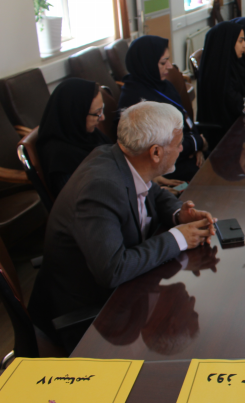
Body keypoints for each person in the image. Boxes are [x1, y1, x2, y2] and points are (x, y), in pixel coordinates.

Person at [28, 102, 217, 346]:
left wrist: (179, 214)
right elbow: (114, 270)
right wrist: (179, 238)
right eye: (178, 143)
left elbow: (153, 191)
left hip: (121, 290)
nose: (182, 148)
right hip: (89, 315)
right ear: (155, 153)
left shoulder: (122, 159)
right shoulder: (101, 187)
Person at [118, 35, 205, 181]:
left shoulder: (162, 84)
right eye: (163, 62)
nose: (169, 66)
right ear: (147, 64)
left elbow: (184, 117)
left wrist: (197, 146)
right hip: (163, 168)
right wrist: (197, 143)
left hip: (183, 150)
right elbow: (160, 147)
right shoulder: (136, 100)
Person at [197, 21, 245, 148]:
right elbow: (241, 107)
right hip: (223, 138)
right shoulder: (219, 74)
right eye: (240, 41)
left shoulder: (232, 66)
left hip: (237, 128)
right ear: (227, 44)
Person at [36, 78, 110, 197]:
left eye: (102, 110)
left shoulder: (86, 134)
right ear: (76, 114)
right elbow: (80, 200)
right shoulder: (60, 158)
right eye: (97, 113)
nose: (102, 118)